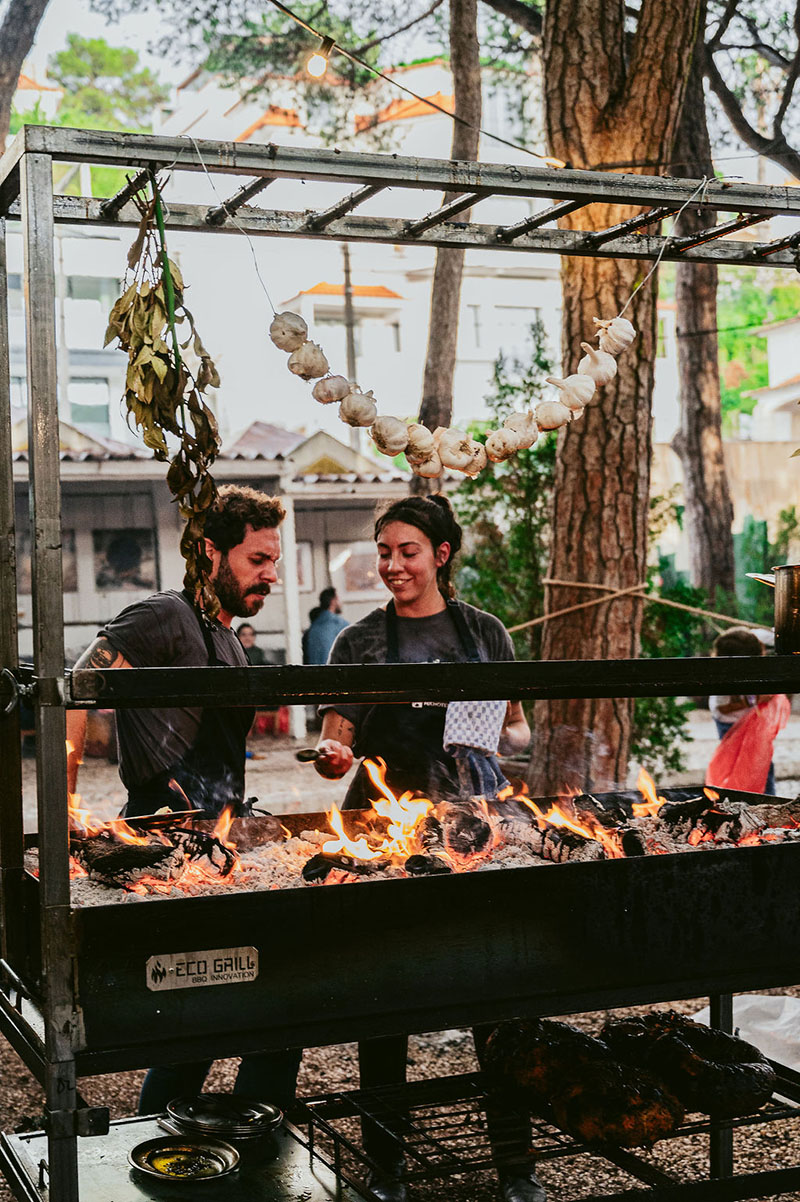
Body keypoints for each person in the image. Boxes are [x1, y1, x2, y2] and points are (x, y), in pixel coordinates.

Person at [312, 496, 540, 1202]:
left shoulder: (484, 633)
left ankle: (515, 1168)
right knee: (386, 1003)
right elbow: (336, 740)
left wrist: (507, 743)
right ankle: (387, 1170)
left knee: (496, 996)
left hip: (473, 829)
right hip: (383, 837)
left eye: (407, 551)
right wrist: (330, 755)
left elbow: (520, 729)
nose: (392, 565)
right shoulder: (358, 642)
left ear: (441, 554)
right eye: (384, 552)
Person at [65, 484, 303, 1114]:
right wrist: (63, 804)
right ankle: (159, 1144)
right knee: (198, 1023)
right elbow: (78, 682)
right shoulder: (165, 616)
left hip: (218, 844)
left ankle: (258, 1142)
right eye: (257, 561)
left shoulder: (228, 639)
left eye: (273, 562)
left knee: (277, 1015)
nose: (271, 575)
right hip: (165, 848)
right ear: (210, 553)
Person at [708, 626, 779, 795]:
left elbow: (774, 636)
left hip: (751, 719)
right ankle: (741, 801)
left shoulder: (753, 639)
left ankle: (768, 800)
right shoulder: (724, 677)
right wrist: (754, 700)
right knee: (738, 766)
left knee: (762, 762)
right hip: (731, 724)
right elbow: (722, 708)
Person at [304, 587, 348, 666]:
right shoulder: (339, 624)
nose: (341, 603)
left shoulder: (312, 628)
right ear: (333, 601)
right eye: (338, 599)